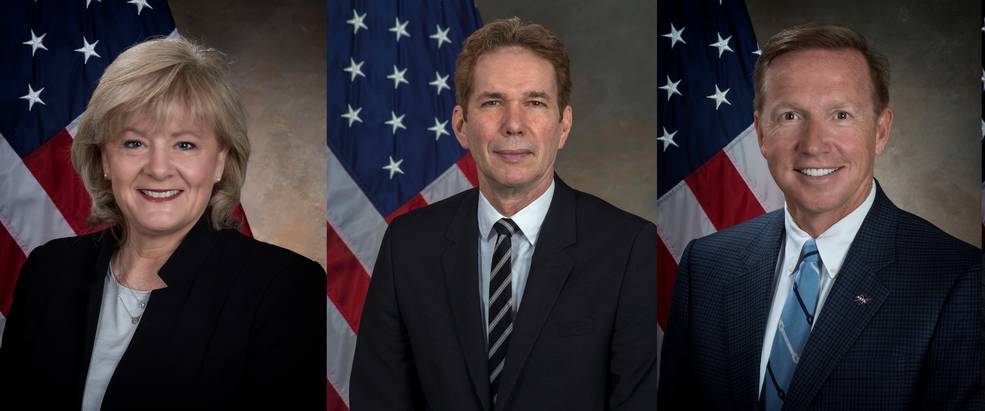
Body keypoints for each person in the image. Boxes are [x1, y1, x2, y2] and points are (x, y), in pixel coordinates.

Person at [658, 23, 982, 410]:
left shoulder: (958, 282)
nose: (813, 145)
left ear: (880, 131)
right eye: (791, 115)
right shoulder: (707, 265)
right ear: (761, 133)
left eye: (841, 115)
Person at [0, 37, 325, 409]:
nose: (158, 168)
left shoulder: (284, 289)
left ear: (220, 161)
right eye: (134, 143)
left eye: (184, 144)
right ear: (104, 159)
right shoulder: (48, 271)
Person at [350, 17, 657, 411]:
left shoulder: (628, 248)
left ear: (563, 126)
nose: (514, 124)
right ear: (461, 125)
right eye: (493, 102)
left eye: (535, 102)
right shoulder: (407, 245)